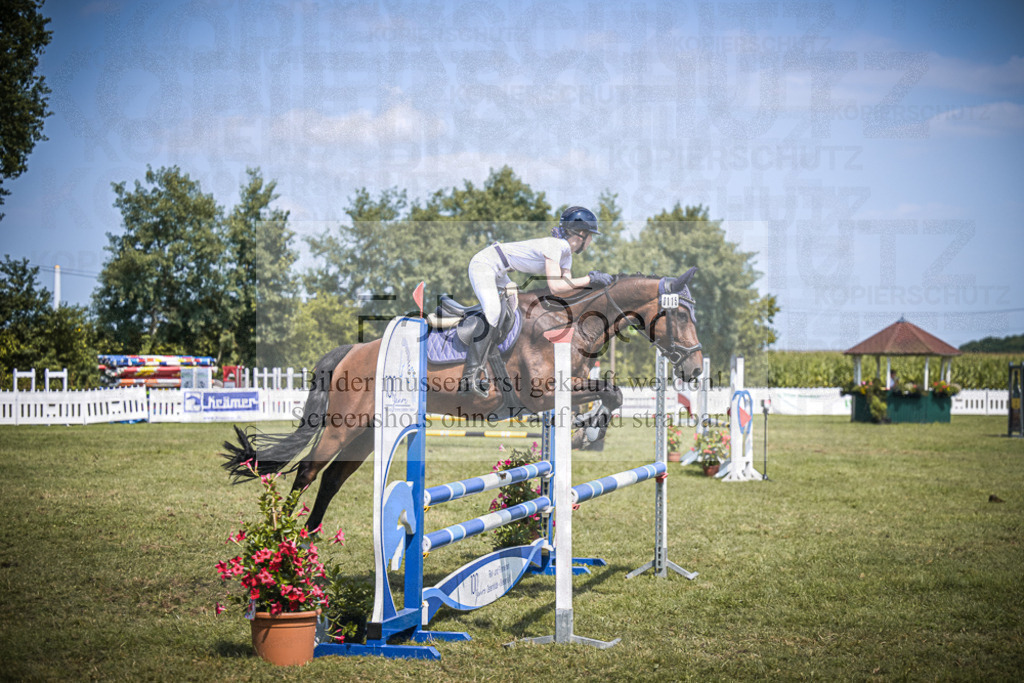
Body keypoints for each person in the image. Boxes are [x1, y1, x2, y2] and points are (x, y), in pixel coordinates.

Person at [461, 205, 613, 395]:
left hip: (501, 271)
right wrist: (590, 279)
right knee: (493, 312)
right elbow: (555, 286)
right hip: (485, 263)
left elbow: (565, 291)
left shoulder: (566, 256)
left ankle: (493, 365)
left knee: (513, 311)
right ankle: (469, 377)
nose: (591, 241)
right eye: (591, 235)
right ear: (581, 234)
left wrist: (593, 286)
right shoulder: (555, 246)